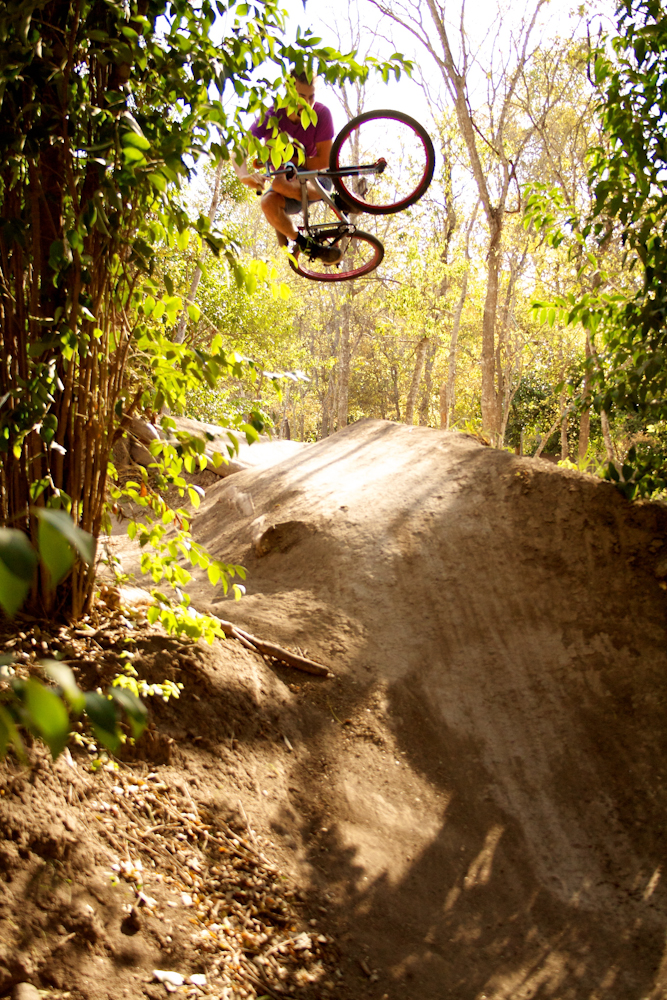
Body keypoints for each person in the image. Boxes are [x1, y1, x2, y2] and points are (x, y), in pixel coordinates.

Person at [234, 73, 343, 265]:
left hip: (317, 179)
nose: (307, 103)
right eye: (301, 97)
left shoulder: (321, 114)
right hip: (285, 183)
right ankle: (308, 246)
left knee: (279, 183)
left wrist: (287, 157)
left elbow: (324, 160)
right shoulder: (272, 116)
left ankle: (335, 200)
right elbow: (240, 149)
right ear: (288, 93)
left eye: (311, 97)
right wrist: (243, 176)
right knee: (267, 202)